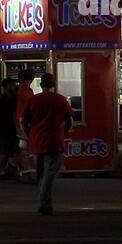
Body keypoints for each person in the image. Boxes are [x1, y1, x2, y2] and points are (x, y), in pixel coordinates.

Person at [22, 73, 73, 216]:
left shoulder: (33, 100)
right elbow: (70, 120)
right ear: (54, 85)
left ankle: (45, 202)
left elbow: (23, 121)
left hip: (37, 141)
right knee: (50, 172)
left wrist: (29, 134)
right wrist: (64, 132)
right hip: (55, 140)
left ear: (41, 85)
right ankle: (44, 201)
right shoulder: (61, 100)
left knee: (41, 171)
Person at [0, 78, 21, 180]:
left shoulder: (13, 98)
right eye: (13, 85)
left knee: (12, 150)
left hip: (10, 129)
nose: (14, 87)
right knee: (5, 151)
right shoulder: (1, 99)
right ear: (8, 86)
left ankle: (11, 170)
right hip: (4, 129)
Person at [15, 69, 37, 178]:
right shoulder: (26, 90)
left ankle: (24, 170)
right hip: (23, 124)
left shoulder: (22, 90)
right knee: (25, 148)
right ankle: (26, 171)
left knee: (24, 148)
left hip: (21, 122)